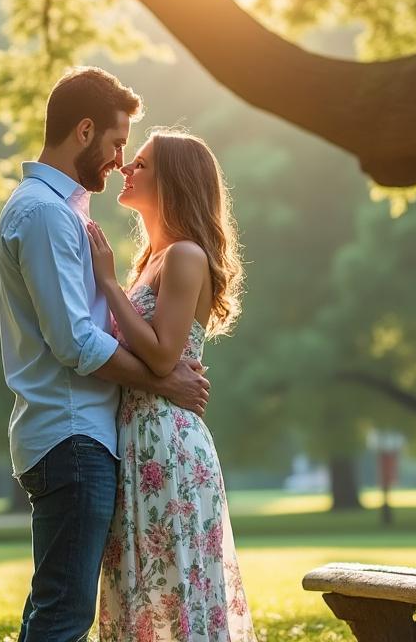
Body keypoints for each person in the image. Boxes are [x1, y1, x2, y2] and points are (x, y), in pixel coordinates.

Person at [0, 68, 211, 642]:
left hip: (87, 436)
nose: (120, 160)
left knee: (58, 608)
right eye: (118, 143)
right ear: (84, 131)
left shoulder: (67, 211)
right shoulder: (44, 213)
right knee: (63, 614)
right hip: (71, 435)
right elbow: (75, 342)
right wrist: (164, 382)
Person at [88, 128, 256, 641]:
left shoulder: (185, 255)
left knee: (176, 592)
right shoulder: (152, 262)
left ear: (172, 182)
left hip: (167, 443)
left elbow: (162, 354)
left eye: (140, 164)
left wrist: (108, 284)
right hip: (135, 437)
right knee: (140, 590)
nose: (125, 169)